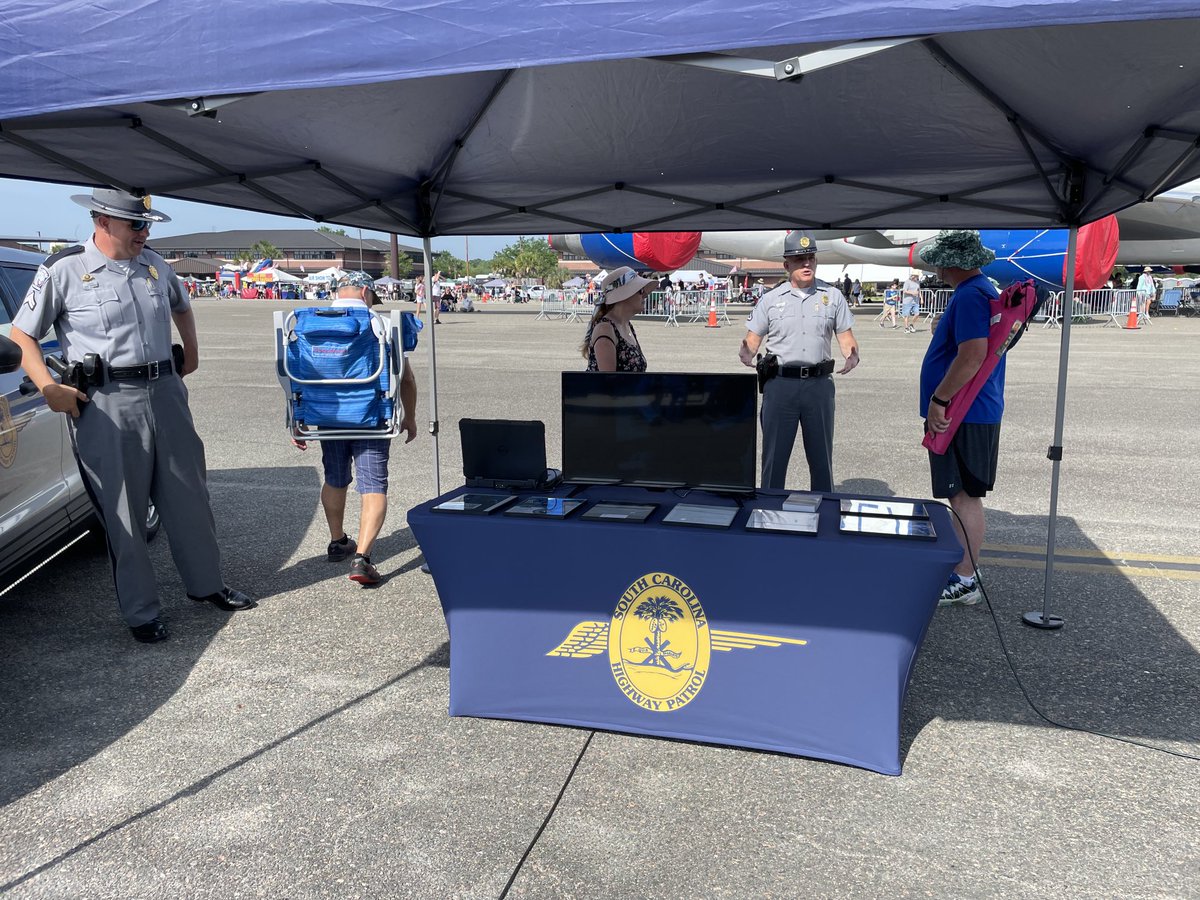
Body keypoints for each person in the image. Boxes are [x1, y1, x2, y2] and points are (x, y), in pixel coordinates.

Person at [9, 188, 255, 643]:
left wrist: (192, 354)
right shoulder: (64, 269)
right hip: (107, 400)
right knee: (125, 510)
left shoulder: (156, 266)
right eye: (135, 225)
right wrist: (48, 387)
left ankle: (207, 586)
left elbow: (182, 307)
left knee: (189, 495)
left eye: (147, 225)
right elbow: (22, 336)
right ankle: (142, 612)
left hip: (165, 390)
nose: (144, 233)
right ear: (103, 222)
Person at [293, 275, 418, 585]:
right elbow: (406, 378)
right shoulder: (377, 323)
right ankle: (361, 559)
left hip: (327, 414)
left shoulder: (310, 324)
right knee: (373, 484)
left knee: (335, 477)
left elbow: (290, 371)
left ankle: (338, 541)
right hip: (369, 415)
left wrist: (296, 417)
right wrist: (410, 416)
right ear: (365, 292)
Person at [917, 230, 1003, 607]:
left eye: (938, 259)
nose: (934, 265)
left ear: (952, 262)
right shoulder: (982, 290)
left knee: (963, 495)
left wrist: (940, 398)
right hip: (974, 408)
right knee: (964, 494)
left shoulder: (970, 295)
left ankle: (965, 578)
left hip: (963, 410)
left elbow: (972, 355)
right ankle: (965, 568)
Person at [739, 230, 859, 492]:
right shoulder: (771, 300)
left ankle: (823, 514)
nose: (807, 264)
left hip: (819, 387)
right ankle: (770, 514)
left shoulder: (832, 296)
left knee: (821, 459)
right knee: (774, 459)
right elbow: (753, 337)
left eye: (811, 258)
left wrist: (852, 355)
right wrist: (747, 351)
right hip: (781, 386)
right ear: (786, 265)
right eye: (799, 259)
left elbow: (845, 336)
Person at [581, 266, 652, 372]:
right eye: (640, 290)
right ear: (625, 295)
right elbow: (609, 383)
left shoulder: (626, 325)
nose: (645, 295)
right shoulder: (605, 329)